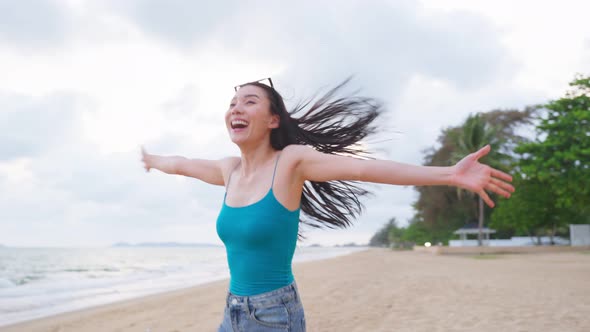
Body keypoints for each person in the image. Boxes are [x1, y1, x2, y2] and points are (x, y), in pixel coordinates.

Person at [140, 77, 514, 332]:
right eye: (233, 102)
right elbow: (182, 164)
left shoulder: (291, 163)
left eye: (249, 101)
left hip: (274, 315)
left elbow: (364, 170)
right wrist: (152, 160)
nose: (236, 108)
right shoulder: (230, 171)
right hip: (233, 310)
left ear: (273, 120)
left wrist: (449, 174)